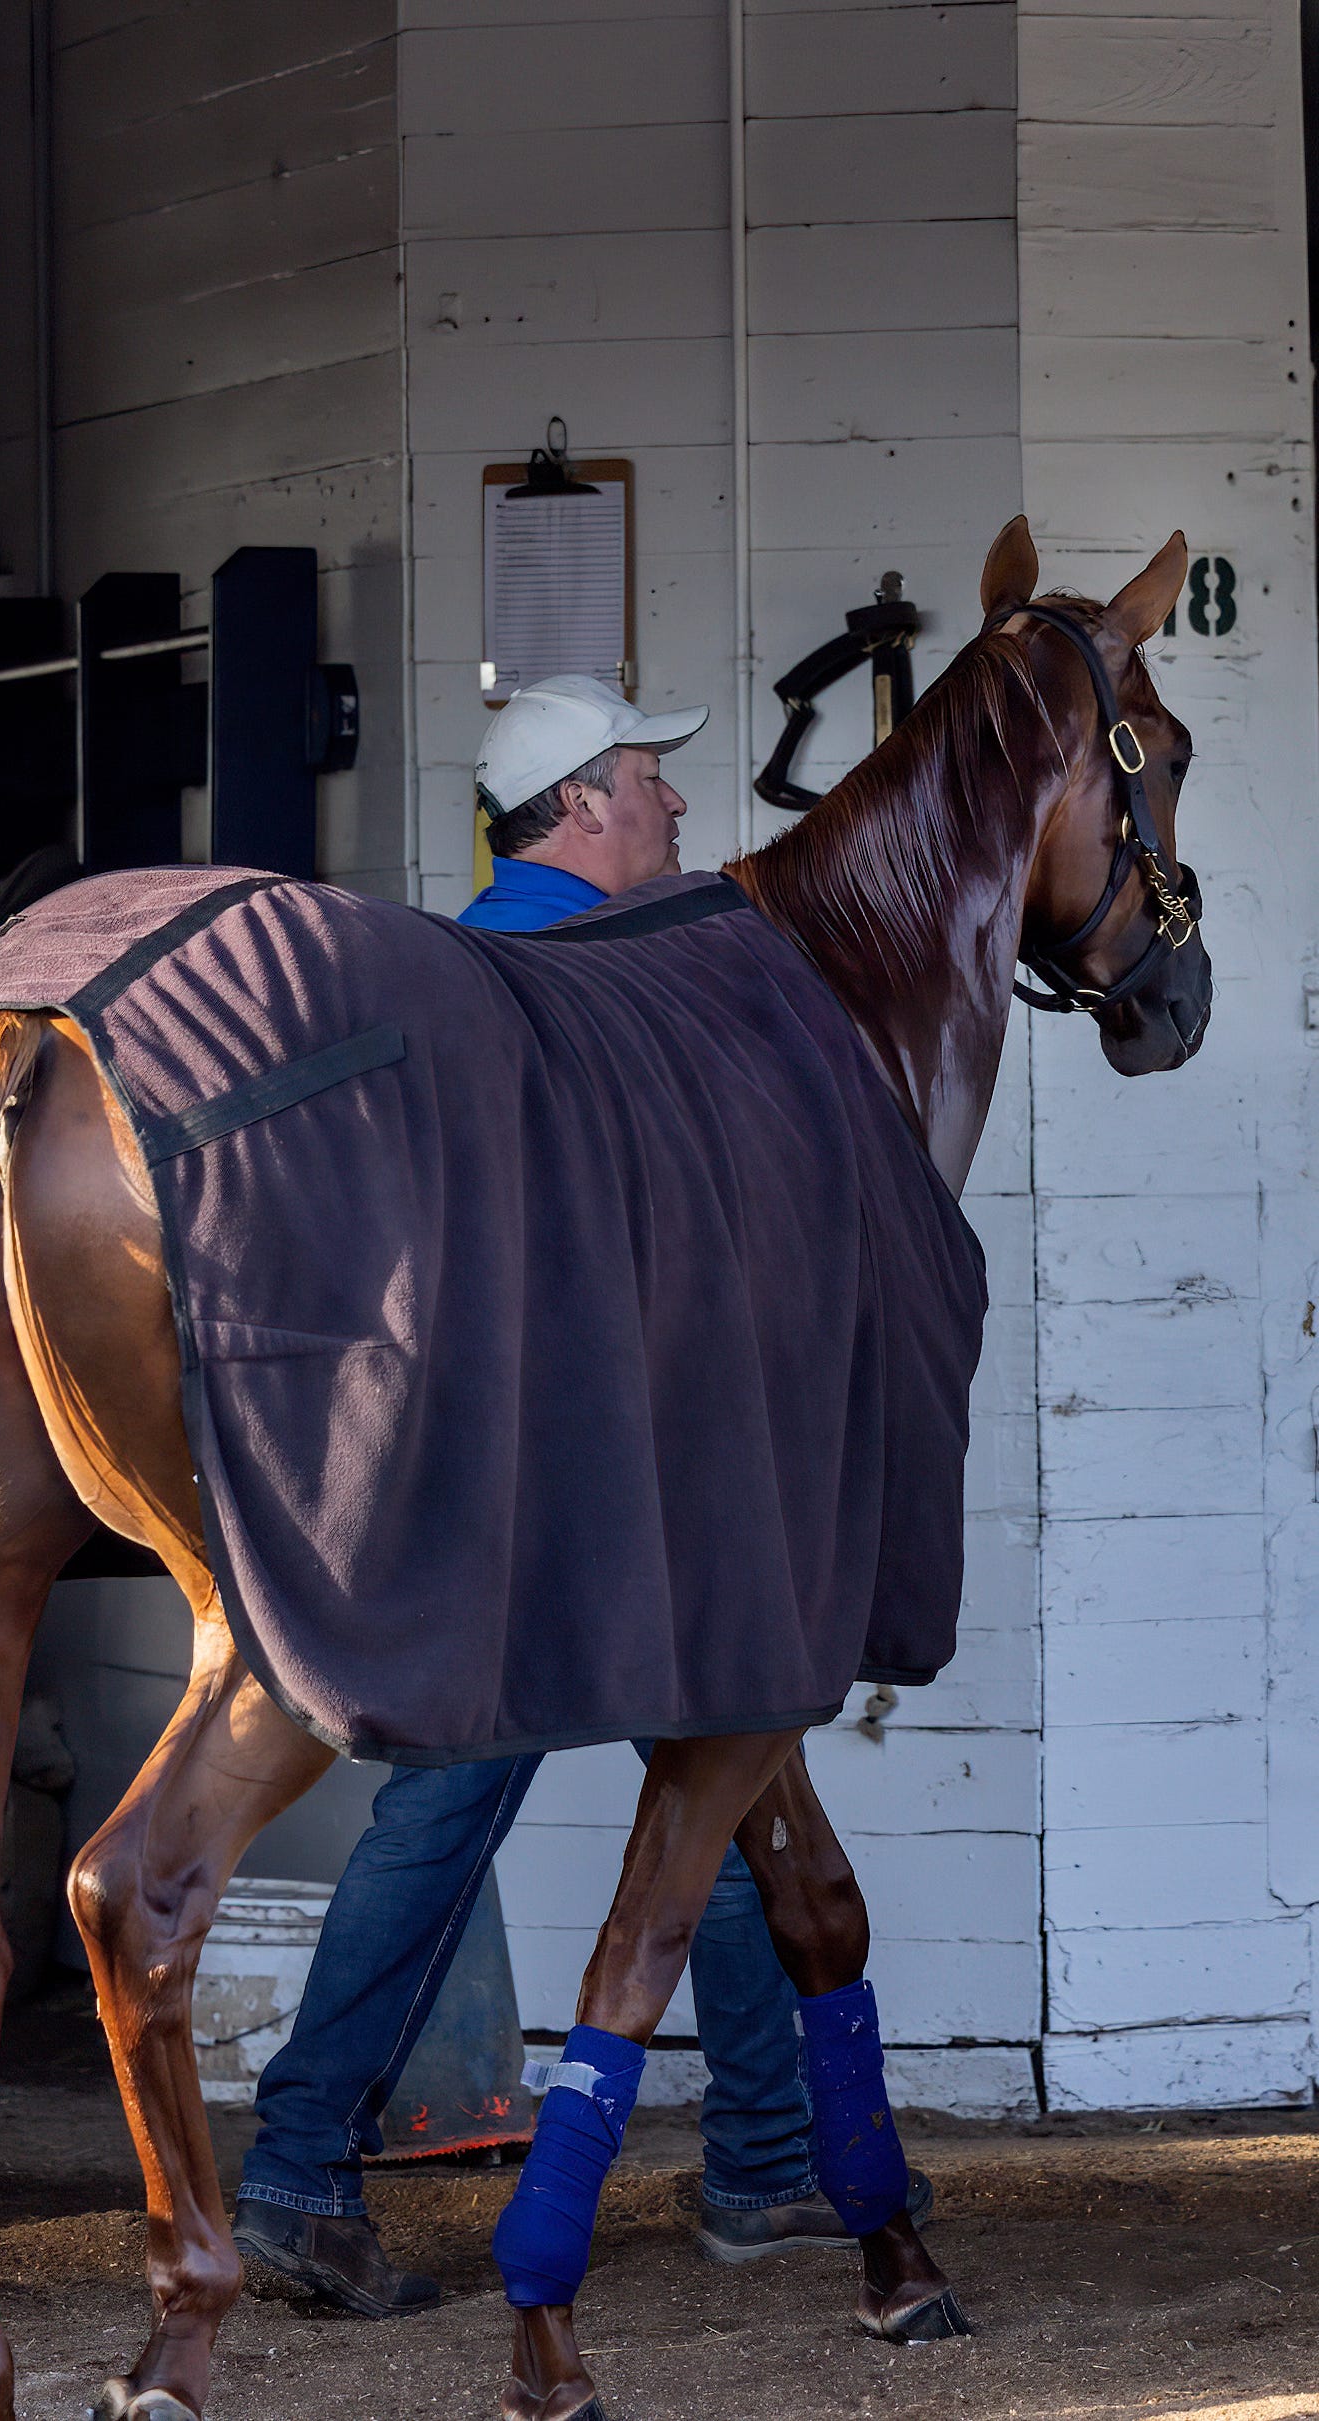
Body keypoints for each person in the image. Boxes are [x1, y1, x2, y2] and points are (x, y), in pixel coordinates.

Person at [229, 672, 929, 2317]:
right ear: (585, 804)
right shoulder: (604, 986)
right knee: (550, 1791)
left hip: (516, 1462)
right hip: (585, 1474)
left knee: (723, 1773)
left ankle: (747, 2153)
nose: (678, 806)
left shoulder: (465, 971)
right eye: (651, 779)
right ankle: (304, 2156)